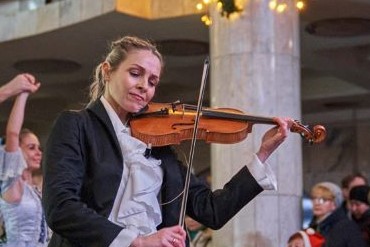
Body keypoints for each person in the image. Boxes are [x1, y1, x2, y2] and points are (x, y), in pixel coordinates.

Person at [42, 35, 295, 247]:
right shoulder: (77, 126)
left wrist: (263, 154)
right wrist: (138, 241)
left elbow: (212, 210)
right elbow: (61, 207)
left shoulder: (159, 146)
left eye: (152, 82)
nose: (144, 87)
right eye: (135, 74)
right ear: (107, 71)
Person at [0, 74, 48, 246]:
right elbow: (12, 134)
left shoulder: (34, 191)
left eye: (39, 148)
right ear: (17, 151)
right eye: (31, 147)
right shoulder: (12, 183)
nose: (38, 153)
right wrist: (23, 94)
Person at [308, 181, 366, 247]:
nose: (317, 203)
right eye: (314, 199)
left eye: (323, 199)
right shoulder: (313, 227)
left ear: (334, 204)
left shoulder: (346, 227)